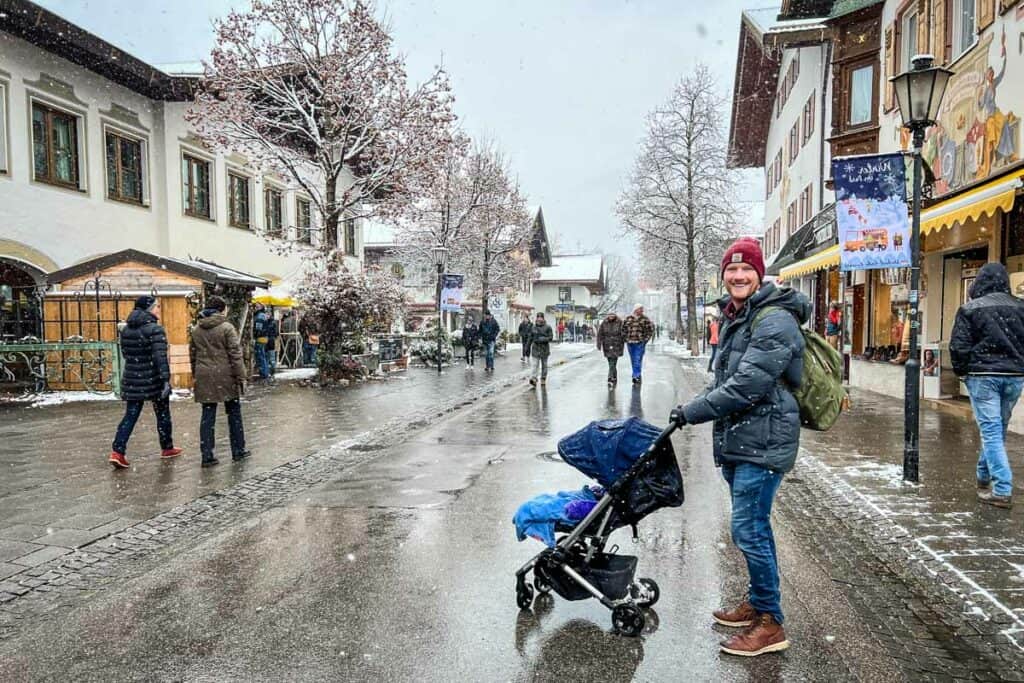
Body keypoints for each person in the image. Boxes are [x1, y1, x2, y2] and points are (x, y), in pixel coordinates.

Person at [669, 237, 809, 657]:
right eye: (732, 269)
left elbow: (747, 383)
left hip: (764, 441)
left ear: (759, 273)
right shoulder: (738, 315)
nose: (738, 275)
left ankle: (771, 623)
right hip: (745, 438)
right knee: (753, 527)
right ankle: (759, 603)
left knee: (748, 529)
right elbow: (727, 376)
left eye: (746, 269)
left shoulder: (774, 320)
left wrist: (693, 411)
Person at [950, 262, 1024, 509]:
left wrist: (962, 371)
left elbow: (959, 346)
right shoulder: (1020, 307)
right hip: (1014, 375)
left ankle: (1002, 489)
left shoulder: (970, 309)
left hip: (983, 375)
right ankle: (982, 476)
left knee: (991, 430)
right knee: (997, 428)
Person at [109, 296, 181, 468]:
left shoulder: (126, 330)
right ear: (148, 309)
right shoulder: (155, 330)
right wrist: (165, 379)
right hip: (153, 378)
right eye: (156, 306)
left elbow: (126, 355)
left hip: (133, 378)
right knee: (162, 413)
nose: (158, 309)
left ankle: (118, 451)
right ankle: (167, 447)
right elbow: (160, 357)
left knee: (131, 415)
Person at [190, 295, 250, 468]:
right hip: (226, 375)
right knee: (234, 413)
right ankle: (238, 450)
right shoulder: (227, 328)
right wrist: (241, 376)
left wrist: (197, 373)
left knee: (207, 415)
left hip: (204, 375)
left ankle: (207, 455)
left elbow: (192, 355)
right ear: (221, 309)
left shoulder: (196, 330)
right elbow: (235, 355)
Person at [624, 304, 654, 384]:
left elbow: (650, 330)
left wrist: (645, 340)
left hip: (640, 343)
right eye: (640, 309)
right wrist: (625, 338)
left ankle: (636, 376)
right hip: (630, 343)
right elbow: (623, 329)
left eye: (642, 309)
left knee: (637, 359)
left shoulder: (645, 319)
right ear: (635, 309)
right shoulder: (628, 318)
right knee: (633, 360)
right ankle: (637, 374)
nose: (642, 310)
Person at [596, 312, 626, 387]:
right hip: (607, 345)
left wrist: (623, 340)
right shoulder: (604, 323)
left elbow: (624, 333)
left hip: (617, 345)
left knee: (613, 361)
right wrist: (599, 344)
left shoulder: (620, 322)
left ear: (615, 315)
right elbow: (600, 334)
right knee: (610, 361)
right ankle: (614, 375)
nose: (611, 316)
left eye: (613, 315)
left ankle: (610, 376)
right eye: (610, 315)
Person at [529, 312, 554, 387]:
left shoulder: (548, 327)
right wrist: (527, 346)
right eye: (538, 317)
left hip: (544, 349)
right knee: (534, 365)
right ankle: (534, 378)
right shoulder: (533, 327)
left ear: (543, 318)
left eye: (541, 317)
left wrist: (543, 339)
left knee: (544, 365)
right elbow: (530, 337)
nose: (539, 319)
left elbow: (551, 337)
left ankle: (543, 378)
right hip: (535, 348)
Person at [253, 303, 270, 380]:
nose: (255, 308)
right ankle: (265, 372)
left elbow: (258, 328)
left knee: (260, 356)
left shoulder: (260, 316)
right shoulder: (263, 315)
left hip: (260, 337)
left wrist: (255, 334)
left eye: (257, 307)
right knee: (262, 355)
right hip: (264, 337)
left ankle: (264, 373)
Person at [264, 308, 280, 378]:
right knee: (270, 357)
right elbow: (276, 333)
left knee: (269, 357)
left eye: (268, 314)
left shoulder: (267, 322)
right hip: (270, 341)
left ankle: (270, 371)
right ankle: (270, 371)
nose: (267, 315)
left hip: (268, 341)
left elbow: (276, 333)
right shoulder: (273, 322)